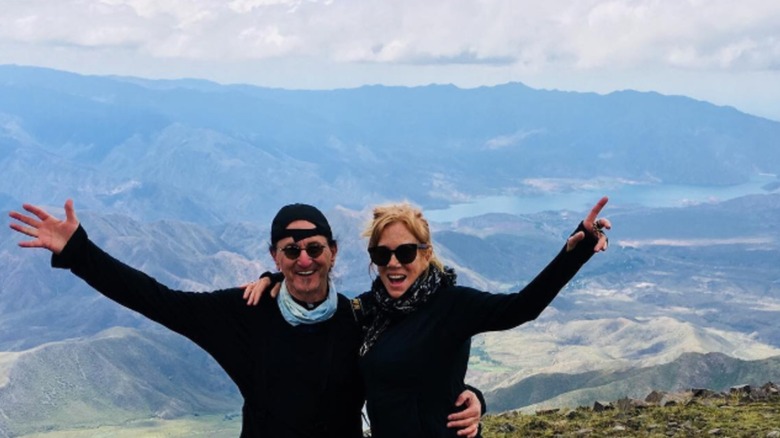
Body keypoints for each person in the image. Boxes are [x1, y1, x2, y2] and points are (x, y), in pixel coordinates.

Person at [8, 200, 483, 438]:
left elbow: (420, 362)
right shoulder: (244, 315)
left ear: (333, 253)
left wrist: (472, 397)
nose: (303, 260)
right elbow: (155, 299)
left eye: (314, 248)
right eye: (290, 250)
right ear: (274, 256)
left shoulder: (361, 317)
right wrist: (79, 252)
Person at [246, 197, 611, 437]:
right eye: (381, 254)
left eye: (405, 252)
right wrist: (278, 277)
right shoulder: (367, 311)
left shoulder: (452, 305)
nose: (393, 264)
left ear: (426, 253)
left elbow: (522, 307)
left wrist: (573, 254)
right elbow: (315, 305)